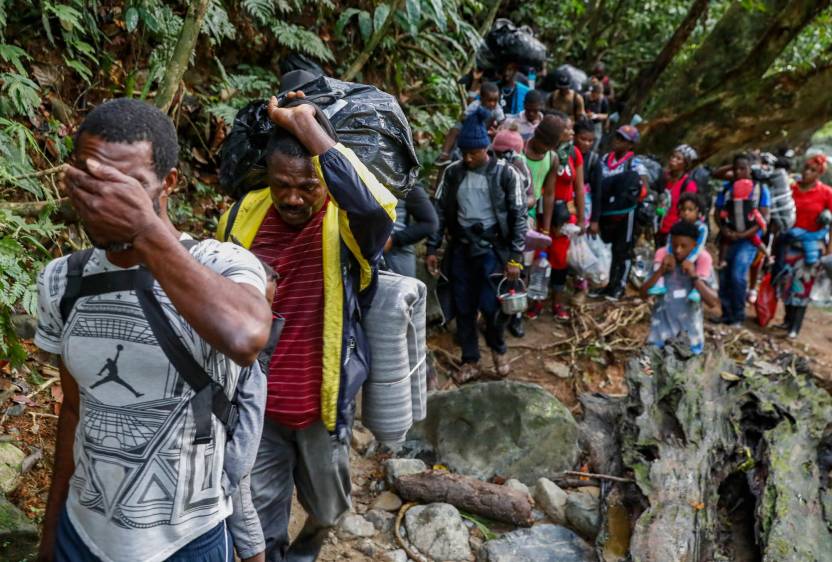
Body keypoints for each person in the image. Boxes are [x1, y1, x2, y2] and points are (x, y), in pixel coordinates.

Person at [34, 99, 273, 562]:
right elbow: (75, 410)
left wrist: (145, 230)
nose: (107, 201)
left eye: (129, 187)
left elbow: (246, 336)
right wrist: (51, 532)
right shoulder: (62, 281)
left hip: (187, 541)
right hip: (81, 536)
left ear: (170, 183)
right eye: (93, 179)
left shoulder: (220, 265)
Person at [216, 92, 397, 561]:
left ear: (325, 180)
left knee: (329, 508)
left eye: (306, 186)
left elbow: (377, 210)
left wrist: (309, 127)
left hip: (321, 403)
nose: (292, 197)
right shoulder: (241, 217)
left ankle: (308, 548)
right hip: (257, 406)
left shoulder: (348, 224)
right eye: (282, 185)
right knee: (259, 516)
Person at [426, 107, 527, 381]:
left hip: (493, 250)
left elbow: (519, 217)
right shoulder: (452, 173)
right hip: (461, 248)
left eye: (473, 153)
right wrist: (433, 248)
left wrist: (515, 258)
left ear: (486, 149)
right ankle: (470, 360)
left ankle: (498, 349)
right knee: (463, 306)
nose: (468, 158)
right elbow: (439, 211)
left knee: (492, 305)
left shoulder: (506, 174)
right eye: (464, 153)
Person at [589, 124, 650, 300]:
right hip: (606, 211)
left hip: (626, 212)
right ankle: (605, 283)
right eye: (617, 137)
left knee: (622, 249)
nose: (617, 141)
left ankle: (619, 286)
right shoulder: (604, 159)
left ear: (630, 145)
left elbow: (643, 186)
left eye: (623, 139)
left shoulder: (635, 163)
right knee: (606, 247)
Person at [774, 154, 832, 338]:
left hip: (811, 247)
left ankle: (794, 327)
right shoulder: (791, 189)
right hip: (788, 242)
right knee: (785, 283)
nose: (807, 172)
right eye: (806, 168)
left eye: (813, 170)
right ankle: (787, 319)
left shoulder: (826, 193)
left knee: (802, 286)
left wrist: (829, 251)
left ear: (819, 174)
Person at [642, 221, 719, 355]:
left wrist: (694, 276)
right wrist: (660, 271)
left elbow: (712, 302)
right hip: (659, 340)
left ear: (695, 246)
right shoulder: (662, 262)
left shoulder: (702, 266)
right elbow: (643, 294)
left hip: (690, 343)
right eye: (675, 245)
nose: (678, 250)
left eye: (684, 246)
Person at [536, 113, 585, 320]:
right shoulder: (545, 153)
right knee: (539, 258)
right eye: (568, 128)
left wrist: (582, 219)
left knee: (560, 260)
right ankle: (535, 301)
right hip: (543, 214)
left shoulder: (574, 154)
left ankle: (557, 302)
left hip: (565, 216)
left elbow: (579, 187)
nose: (572, 132)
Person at [714, 153, 771, 326]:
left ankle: (737, 316)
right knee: (724, 275)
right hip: (728, 238)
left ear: (749, 169)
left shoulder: (759, 189)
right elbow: (718, 213)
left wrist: (743, 235)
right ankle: (726, 313)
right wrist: (725, 230)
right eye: (736, 168)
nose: (739, 172)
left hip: (749, 240)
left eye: (743, 168)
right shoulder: (727, 189)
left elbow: (764, 218)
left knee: (738, 275)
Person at [648, 192, 711, 302]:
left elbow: (699, 246)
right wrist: (670, 254)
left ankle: (699, 286)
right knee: (660, 252)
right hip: (676, 251)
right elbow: (670, 241)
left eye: (690, 210)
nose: (686, 213)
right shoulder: (676, 225)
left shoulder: (701, 228)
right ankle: (659, 282)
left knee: (705, 257)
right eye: (683, 210)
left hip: (696, 252)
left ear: (698, 211)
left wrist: (689, 260)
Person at [438, 82, 504, 165]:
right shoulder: (475, 105)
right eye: (489, 100)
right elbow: (464, 117)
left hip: (483, 132)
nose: (492, 103)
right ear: (482, 98)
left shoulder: (497, 108)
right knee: (454, 130)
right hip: (469, 127)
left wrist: (499, 129)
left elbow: (502, 121)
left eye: (495, 100)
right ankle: (445, 153)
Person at [383, 183, 439, 277]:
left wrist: (392, 240)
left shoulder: (407, 184)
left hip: (396, 257)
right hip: (372, 256)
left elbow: (431, 224)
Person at [655, 144, 699, 248]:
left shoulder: (688, 185)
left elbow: (688, 211)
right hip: (657, 228)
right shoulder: (663, 178)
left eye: (678, 159)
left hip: (673, 232)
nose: (673, 160)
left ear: (686, 164)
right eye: (673, 157)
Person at [582, 82, 609, 150]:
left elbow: (605, 115)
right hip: (584, 121)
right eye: (593, 94)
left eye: (598, 94)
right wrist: (585, 114)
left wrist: (596, 115)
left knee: (596, 139)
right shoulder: (585, 96)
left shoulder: (603, 100)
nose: (595, 96)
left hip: (596, 123)